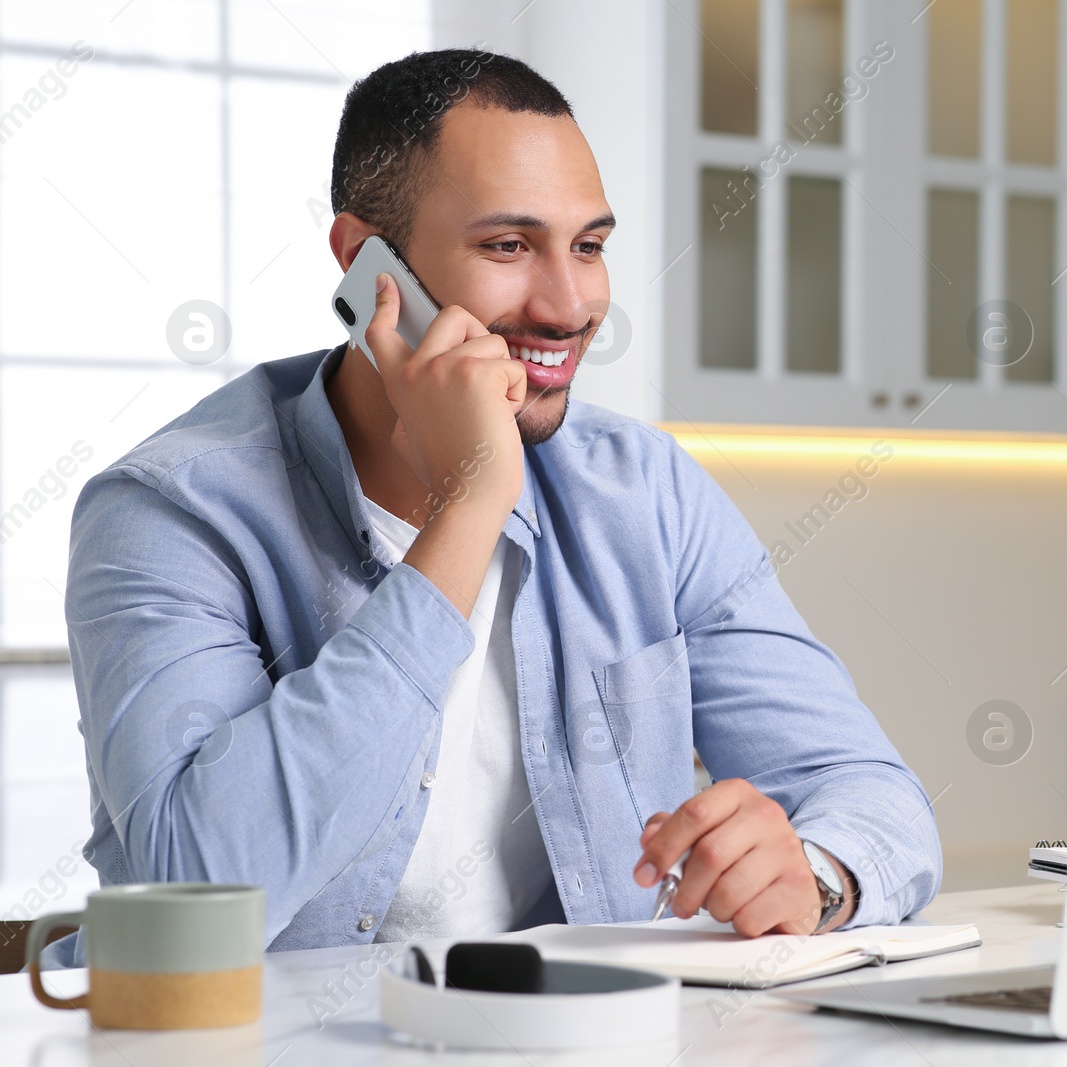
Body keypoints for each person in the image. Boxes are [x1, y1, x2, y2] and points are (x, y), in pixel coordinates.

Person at [39, 48, 940, 970]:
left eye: (588, 247)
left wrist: (819, 875)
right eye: (508, 246)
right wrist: (472, 504)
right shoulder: (169, 512)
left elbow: (870, 790)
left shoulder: (646, 492)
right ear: (364, 265)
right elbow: (196, 897)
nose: (569, 304)